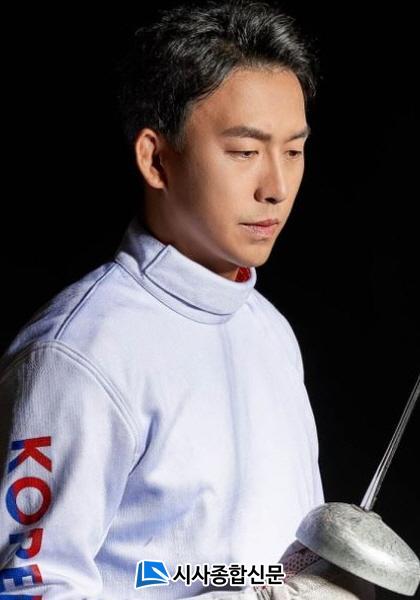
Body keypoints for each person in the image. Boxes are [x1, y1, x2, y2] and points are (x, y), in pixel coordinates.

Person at [0, 1, 372, 598]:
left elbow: (181, 571)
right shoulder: (78, 355)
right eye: (245, 152)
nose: (276, 187)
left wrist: (302, 582)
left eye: (293, 151)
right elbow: (30, 588)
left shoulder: (268, 329)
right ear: (156, 159)